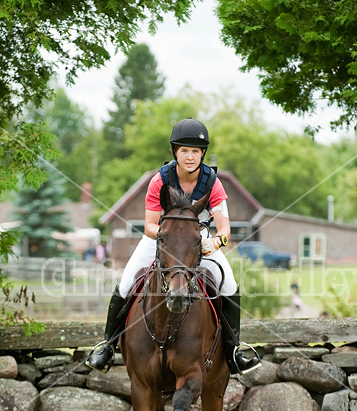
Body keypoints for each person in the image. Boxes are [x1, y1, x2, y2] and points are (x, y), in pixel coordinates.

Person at [86, 118, 261, 375]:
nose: (190, 157)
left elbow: (225, 230)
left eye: (195, 151)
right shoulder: (160, 180)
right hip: (160, 238)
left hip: (198, 239)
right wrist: (173, 238)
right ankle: (107, 346)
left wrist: (213, 242)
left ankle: (234, 350)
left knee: (230, 284)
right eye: (184, 150)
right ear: (175, 152)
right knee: (125, 283)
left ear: (202, 153)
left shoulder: (213, 182)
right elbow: (148, 225)